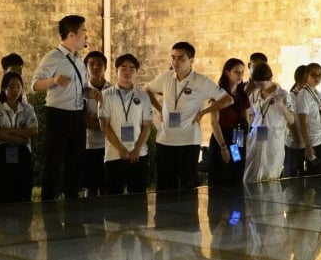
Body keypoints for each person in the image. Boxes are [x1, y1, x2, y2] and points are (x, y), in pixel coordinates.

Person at [145, 41, 233, 191]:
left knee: (188, 186)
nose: (175, 62)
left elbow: (228, 99)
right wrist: (159, 108)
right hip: (165, 141)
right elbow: (147, 89)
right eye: (173, 57)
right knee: (165, 188)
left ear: (191, 60)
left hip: (189, 142)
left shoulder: (201, 81)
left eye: (181, 58)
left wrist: (204, 112)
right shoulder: (166, 76)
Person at [31, 14, 99, 200]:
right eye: (83, 31)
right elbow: (35, 85)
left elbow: (81, 88)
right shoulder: (53, 57)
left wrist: (90, 93)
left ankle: (72, 200)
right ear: (71, 34)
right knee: (54, 160)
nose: (86, 35)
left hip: (78, 114)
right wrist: (54, 80)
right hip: (59, 114)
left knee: (75, 160)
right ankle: (48, 201)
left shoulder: (79, 59)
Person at [99, 54, 153, 194]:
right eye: (123, 68)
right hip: (114, 154)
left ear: (136, 72)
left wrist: (137, 149)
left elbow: (147, 126)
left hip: (138, 154)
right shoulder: (106, 95)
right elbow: (105, 126)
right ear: (116, 70)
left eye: (132, 68)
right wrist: (121, 149)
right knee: (113, 199)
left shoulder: (143, 96)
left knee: (138, 200)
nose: (127, 72)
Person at [0, 71, 38, 203]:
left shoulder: (27, 109)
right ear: (4, 88)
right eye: (11, 86)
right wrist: (17, 138)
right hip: (3, 152)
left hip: (23, 152)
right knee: (4, 189)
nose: (15, 90)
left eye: (18, 86)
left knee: (23, 188)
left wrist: (7, 131)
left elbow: (32, 130)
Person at [244, 63, 295, 182]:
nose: (258, 86)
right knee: (252, 173)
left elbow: (292, 119)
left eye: (261, 84)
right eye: (256, 83)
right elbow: (251, 114)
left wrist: (282, 106)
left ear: (270, 79)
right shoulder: (255, 93)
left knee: (270, 174)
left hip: (274, 138)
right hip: (256, 137)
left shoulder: (283, 94)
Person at [207, 58, 250, 186]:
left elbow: (245, 119)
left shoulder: (242, 95)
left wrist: (243, 141)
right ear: (227, 72)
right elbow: (214, 123)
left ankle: (235, 205)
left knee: (235, 172)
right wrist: (223, 147)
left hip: (237, 137)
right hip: (222, 136)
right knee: (220, 175)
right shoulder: (218, 94)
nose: (240, 75)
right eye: (236, 72)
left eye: (242, 72)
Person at [82, 51, 111, 197]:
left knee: (107, 187)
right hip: (90, 146)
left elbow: (115, 119)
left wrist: (94, 117)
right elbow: (83, 121)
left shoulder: (113, 90)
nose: (95, 67)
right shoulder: (81, 92)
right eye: (91, 64)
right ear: (86, 67)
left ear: (105, 67)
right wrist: (103, 121)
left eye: (99, 64)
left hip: (110, 145)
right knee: (90, 187)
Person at [297, 63, 321, 175]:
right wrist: (308, 146)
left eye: (320, 74)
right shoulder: (304, 94)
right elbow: (303, 122)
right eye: (313, 74)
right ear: (306, 75)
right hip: (313, 141)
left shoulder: (317, 93)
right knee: (316, 175)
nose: (317, 77)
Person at [284, 65, 307, 178]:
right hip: (293, 142)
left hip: (308, 141)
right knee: (292, 174)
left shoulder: (310, 95)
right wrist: (296, 135)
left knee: (305, 175)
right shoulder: (290, 96)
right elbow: (289, 120)